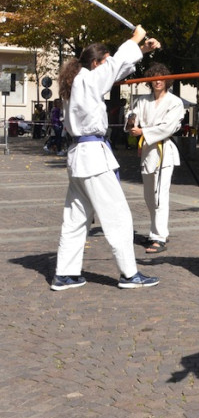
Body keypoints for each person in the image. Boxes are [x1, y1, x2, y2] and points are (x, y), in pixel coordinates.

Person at [50, 26, 162, 291]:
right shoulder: (86, 81)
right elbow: (113, 68)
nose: (108, 66)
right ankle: (129, 274)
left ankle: (65, 274)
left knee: (76, 217)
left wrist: (141, 50)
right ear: (95, 63)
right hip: (91, 158)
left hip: (81, 158)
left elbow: (114, 72)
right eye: (105, 61)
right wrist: (135, 39)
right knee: (118, 215)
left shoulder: (81, 84)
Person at [128, 63, 186, 254]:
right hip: (146, 150)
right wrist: (130, 120)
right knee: (149, 196)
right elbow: (131, 120)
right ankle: (158, 230)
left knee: (160, 194)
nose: (158, 81)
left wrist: (143, 130)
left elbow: (168, 127)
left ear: (167, 80)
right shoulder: (142, 101)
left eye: (161, 78)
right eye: (154, 78)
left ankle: (158, 237)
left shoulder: (175, 102)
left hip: (163, 151)